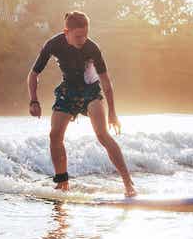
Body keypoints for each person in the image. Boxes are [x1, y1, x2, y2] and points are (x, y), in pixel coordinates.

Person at [27, 11, 136, 196]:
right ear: (66, 32)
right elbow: (34, 74)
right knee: (55, 135)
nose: (83, 39)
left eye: (85, 34)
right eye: (78, 36)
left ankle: (129, 184)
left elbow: (106, 83)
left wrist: (113, 113)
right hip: (68, 91)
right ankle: (62, 183)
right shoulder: (53, 44)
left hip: (90, 91)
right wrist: (34, 100)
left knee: (102, 134)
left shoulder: (92, 48)